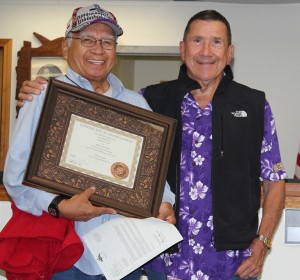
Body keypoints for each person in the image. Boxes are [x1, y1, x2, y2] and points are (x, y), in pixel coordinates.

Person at [17, 9, 287, 280]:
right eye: (197, 41)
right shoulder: (149, 100)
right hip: (162, 258)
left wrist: (262, 243)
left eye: (216, 42)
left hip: (232, 262)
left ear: (229, 52)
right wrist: (42, 95)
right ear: (182, 49)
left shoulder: (254, 105)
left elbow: (274, 181)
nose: (206, 51)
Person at [4, 4, 175, 280]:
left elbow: (155, 177)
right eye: (87, 39)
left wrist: (165, 202)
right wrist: (58, 205)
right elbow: (15, 176)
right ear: (65, 48)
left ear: (115, 51)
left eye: (107, 41)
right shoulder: (43, 97)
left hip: (124, 254)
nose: (98, 48)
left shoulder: (137, 104)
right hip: (67, 253)